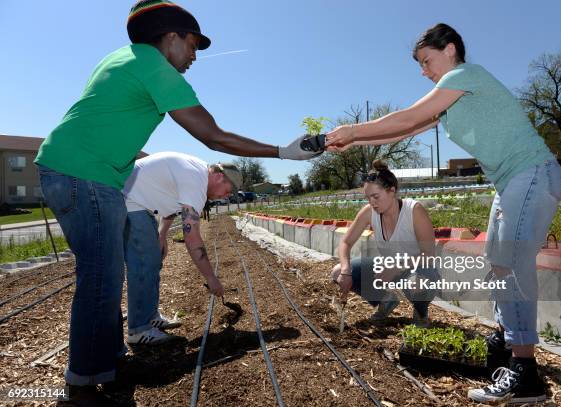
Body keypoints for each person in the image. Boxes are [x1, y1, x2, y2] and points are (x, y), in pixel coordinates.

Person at [34, 1, 319, 403]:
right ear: (169, 37)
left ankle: (109, 360)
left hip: (77, 172)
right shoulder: (154, 66)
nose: (194, 56)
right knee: (100, 278)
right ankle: (83, 384)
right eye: (191, 44)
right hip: (86, 175)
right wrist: (283, 152)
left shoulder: (124, 58)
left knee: (106, 275)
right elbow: (213, 136)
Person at [326, 23, 561, 406]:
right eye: (420, 64)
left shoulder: (464, 75)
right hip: (511, 183)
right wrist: (352, 139)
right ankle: (506, 345)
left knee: (514, 265)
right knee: (497, 263)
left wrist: (352, 129)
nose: (423, 70)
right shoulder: (451, 100)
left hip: (531, 172)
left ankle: (526, 373)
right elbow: (402, 132)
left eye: (426, 60)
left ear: (450, 49)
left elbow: (406, 117)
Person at [122, 152, 240, 345]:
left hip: (138, 202)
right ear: (219, 176)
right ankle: (139, 329)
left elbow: (172, 205)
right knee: (144, 266)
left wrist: (161, 235)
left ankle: (149, 316)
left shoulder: (196, 172)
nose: (226, 197)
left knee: (152, 263)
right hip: (129, 201)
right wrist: (211, 277)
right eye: (228, 191)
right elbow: (192, 236)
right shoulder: (197, 181)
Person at [330, 160, 440, 326]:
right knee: (337, 272)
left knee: (417, 282)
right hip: (388, 268)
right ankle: (386, 300)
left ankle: (420, 312)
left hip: (417, 269)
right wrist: (346, 271)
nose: (372, 203)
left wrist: (397, 267)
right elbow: (345, 242)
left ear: (392, 191)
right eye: (368, 198)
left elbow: (429, 255)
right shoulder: (369, 212)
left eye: (376, 197)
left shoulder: (414, 211)